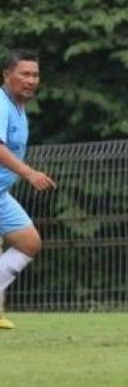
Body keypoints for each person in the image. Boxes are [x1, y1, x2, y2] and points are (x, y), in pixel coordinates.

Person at [0, 49, 56, 329]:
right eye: (25, 73)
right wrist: (29, 173)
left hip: (0, 196)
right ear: (7, 75)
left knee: (29, 243)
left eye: (35, 74)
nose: (31, 80)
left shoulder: (19, 108)